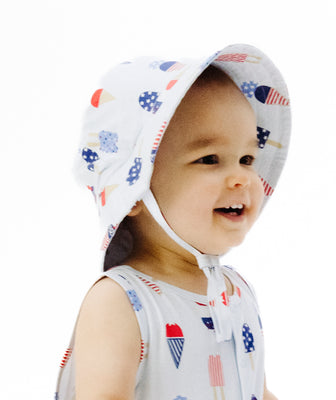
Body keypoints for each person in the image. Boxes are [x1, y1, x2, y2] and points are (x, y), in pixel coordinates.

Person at [55, 44, 291, 400]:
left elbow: (256, 389)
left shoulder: (237, 291)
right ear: (132, 191)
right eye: (209, 159)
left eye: (246, 159)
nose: (242, 178)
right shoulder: (120, 303)